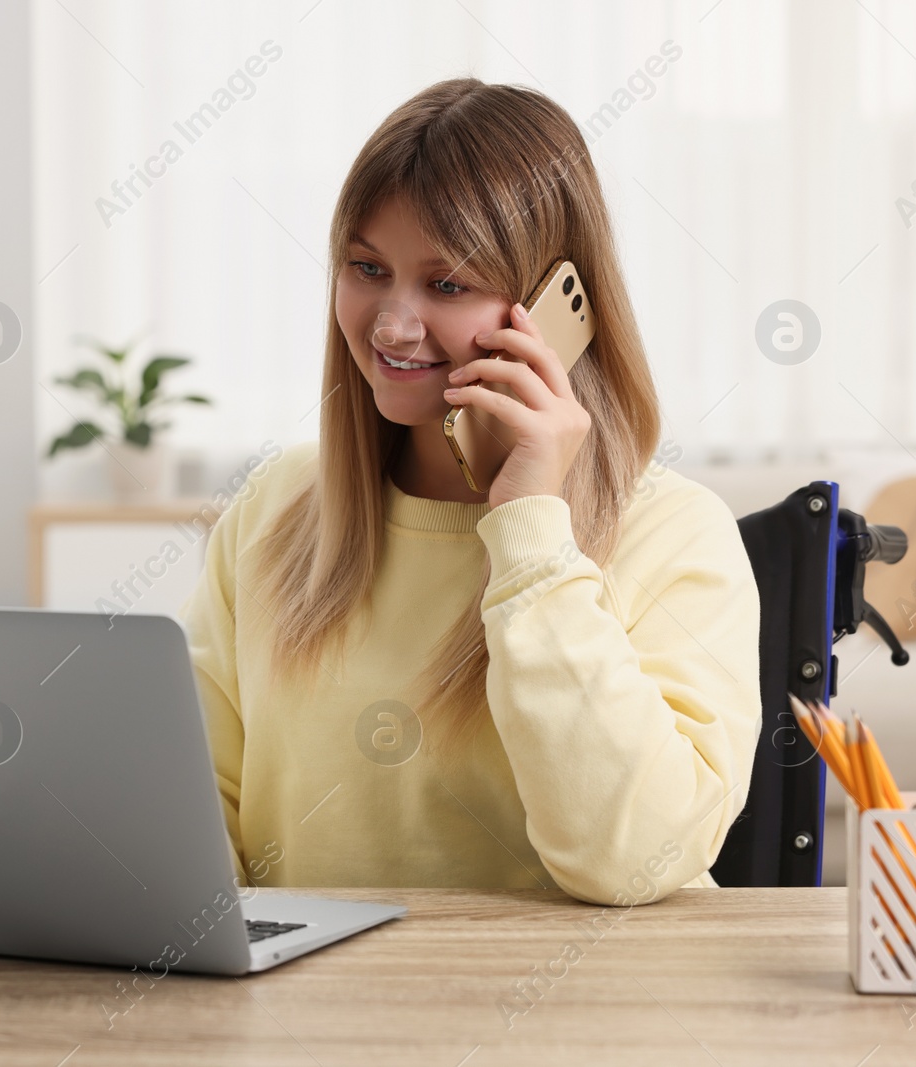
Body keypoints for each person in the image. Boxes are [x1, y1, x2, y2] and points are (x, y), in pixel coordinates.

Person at [180, 78, 761, 906]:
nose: (391, 325)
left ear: (562, 308)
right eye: (367, 269)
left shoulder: (676, 533)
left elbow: (638, 857)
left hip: (572, 1023)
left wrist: (530, 529)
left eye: (447, 284)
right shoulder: (275, 508)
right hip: (309, 1020)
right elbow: (197, 813)